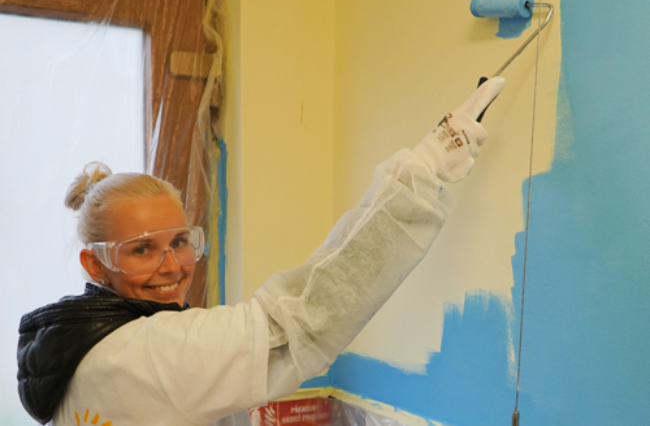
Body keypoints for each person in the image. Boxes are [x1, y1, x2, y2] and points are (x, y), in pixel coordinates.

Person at [17, 77, 505, 426]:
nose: (172, 267)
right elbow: (305, 317)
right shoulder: (151, 350)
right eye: (142, 250)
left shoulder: (75, 347)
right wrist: (426, 169)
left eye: (181, 242)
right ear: (95, 263)